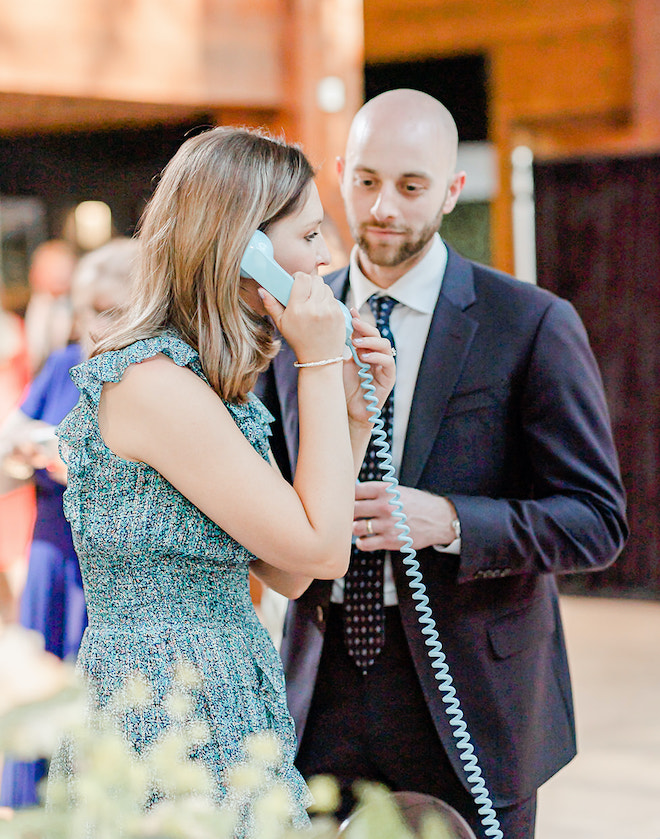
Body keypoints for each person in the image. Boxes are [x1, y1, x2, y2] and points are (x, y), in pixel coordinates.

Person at [255, 89, 628, 839]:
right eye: (365, 181)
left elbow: (597, 521)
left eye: (412, 185)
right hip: (319, 685)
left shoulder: (531, 322)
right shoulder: (289, 321)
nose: (384, 205)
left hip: (476, 692)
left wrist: (451, 520)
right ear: (338, 174)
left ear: (453, 190)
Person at [46, 127, 395, 830]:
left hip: (229, 697)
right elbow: (324, 551)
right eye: (309, 234)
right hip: (162, 713)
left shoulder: (213, 387)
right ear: (245, 248)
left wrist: (355, 419)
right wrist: (322, 363)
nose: (326, 256)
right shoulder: (153, 383)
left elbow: (293, 570)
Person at [0, 237, 138, 808]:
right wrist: (22, 448)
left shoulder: (146, 379)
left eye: (107, 311)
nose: (91, 325)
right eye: (84, 309)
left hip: (106, 566)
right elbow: (14, 436)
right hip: (53, 552)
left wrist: (77, 461)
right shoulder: (62, 362)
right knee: (42, 709)